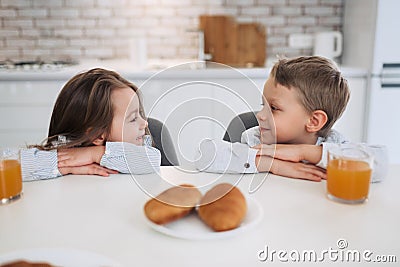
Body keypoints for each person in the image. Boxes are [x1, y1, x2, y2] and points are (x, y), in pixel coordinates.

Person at [195, 56, 385, 182]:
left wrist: (303, 153)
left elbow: (381, 163)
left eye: (274, 108)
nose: (260, 115)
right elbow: (206, 155)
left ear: (314, 121)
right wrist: (273, 164)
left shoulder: (334, 144)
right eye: (263, 105)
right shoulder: (256, 140)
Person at [21, 68, 161, 181]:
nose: (145, 123)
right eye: (133, 118)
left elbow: (153, 159)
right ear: (97, 135)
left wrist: (94, 154)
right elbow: (12, 165)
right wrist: (64, 166)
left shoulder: (140, 145)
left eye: (139, 114)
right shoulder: (67, 150)